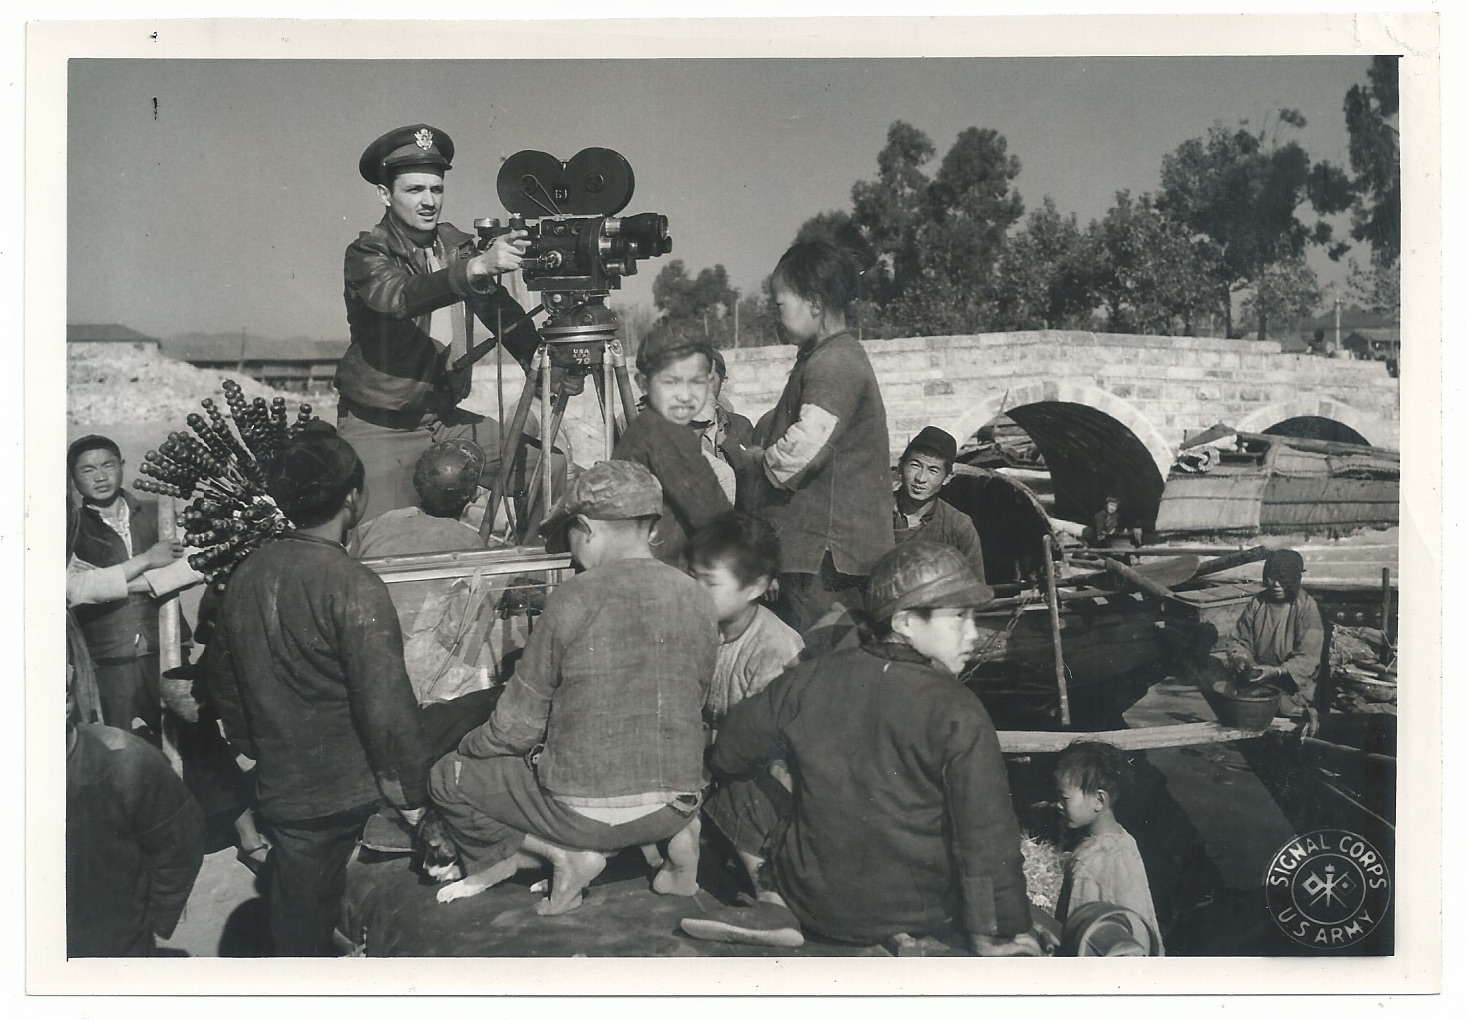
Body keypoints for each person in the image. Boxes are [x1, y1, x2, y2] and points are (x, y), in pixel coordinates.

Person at [682, 541, 1041, 956]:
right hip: (920, 910)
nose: (975, 633)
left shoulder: (811, 678)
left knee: (736, 782)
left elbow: (729, 751)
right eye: (959, 617)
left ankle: (774, 903)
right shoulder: (959, 708)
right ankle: (898, 934)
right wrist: (995, 931)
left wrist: (793, 770)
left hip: (817, 905)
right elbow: (987, 831)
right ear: (905, 622)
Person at [427, 461, 718, 914]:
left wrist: (467, 744)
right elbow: (694, 700)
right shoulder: (698, 596)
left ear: (585, 529)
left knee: (448, 776)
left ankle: (561, 855)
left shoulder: (571, 597)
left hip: (583, 817)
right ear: (651, 529)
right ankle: (680, 851)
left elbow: (515, 730)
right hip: (677, 803)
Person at [214, 425, 435, 955]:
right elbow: (387, 710)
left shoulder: (245, 575)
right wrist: (418, 802)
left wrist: (265, 753)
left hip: (287, 794)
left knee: (299, 936)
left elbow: (225, 691)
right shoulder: (352, 584)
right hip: (355, 796)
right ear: (355, 498)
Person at [337, 123, 565, 525]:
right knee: (390, 543)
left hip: (443, 421)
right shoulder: (367, 253)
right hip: (380, 427)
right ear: (385, 195)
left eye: (436, 189)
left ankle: (528, 575)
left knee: (547, 469)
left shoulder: (454, 245)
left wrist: (544, 364)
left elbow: (501, 313)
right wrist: (476, 267)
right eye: (414, 190)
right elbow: (401, 296)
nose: (429, 201)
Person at [749, 240, 893, 633]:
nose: (775, 314)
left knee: (824, 664)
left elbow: (803, 452)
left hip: (827, 559)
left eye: (780, 304)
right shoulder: (826, 357)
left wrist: (757, 461)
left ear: (813, 303)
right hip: (826, 555)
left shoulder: (834, 363)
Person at [689, 511, 804, 896]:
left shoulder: (774, 649)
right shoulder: (701, 629)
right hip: (713, 762)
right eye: (693, 577)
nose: (695, 591)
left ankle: (770, 892)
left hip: (764, 779)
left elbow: (770, 746)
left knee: (740, 798)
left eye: (709, 582)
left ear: (754, 587)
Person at [66, 661, 206, 957]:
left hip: (115, 944)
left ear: (67, 699)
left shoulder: (123, 761)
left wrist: (149, 921)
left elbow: (181, 837)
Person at [66, 434, 191, 736]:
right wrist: (149, 560)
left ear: (122, 466)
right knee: (117, 748)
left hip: (167, 650)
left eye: (107, 465)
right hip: (107, 660)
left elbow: (194, 566)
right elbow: (74, 590)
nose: (100, 476)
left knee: (191, 743)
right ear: (73, 477)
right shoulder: (71, 527)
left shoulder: (157, 512)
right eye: (88, 470)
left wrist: (110, 581)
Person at [612, 329, 733, 567]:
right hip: (658, 566)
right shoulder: (661, 432)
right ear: (644, 384)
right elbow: (708, 508)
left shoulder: (651, 426)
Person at [1052, 740, 1163, 955]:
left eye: (1064, 798)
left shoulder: (1086, 862)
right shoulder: (1126, 840)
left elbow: (1081, 932)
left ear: (1099, 800)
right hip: (1139, 950)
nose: (1058, 804)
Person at [1214, 548, 1327, 735]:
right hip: (1260, 680)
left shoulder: (1307, 607)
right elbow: (1239, 640)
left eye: (1283, 579)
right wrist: (1242, 660)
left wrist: (1276, 671)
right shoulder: (1258, 603)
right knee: (1222, 688)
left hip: (1294, 688)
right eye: (1272, 578)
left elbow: (1308, 659)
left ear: (1295, 579)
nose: (1275, 584)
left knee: (1281, 707)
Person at [892, 425, 984, 574]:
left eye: (933, 470)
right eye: (915, 465)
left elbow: (975, 589)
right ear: (901, 467)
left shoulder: (959, 526)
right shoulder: (876, 514)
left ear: (947, 478)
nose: (921, 478)